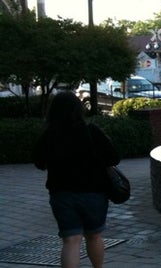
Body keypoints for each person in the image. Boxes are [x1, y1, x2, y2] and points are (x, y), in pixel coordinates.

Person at [32, 92, 120, 268]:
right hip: (94, 193)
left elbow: (39, 163)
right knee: (94, 236)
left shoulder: (49, 135)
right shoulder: (91, 131)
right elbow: (113, 158)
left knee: (71, 240)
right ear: (78, 109)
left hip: (61, 194)